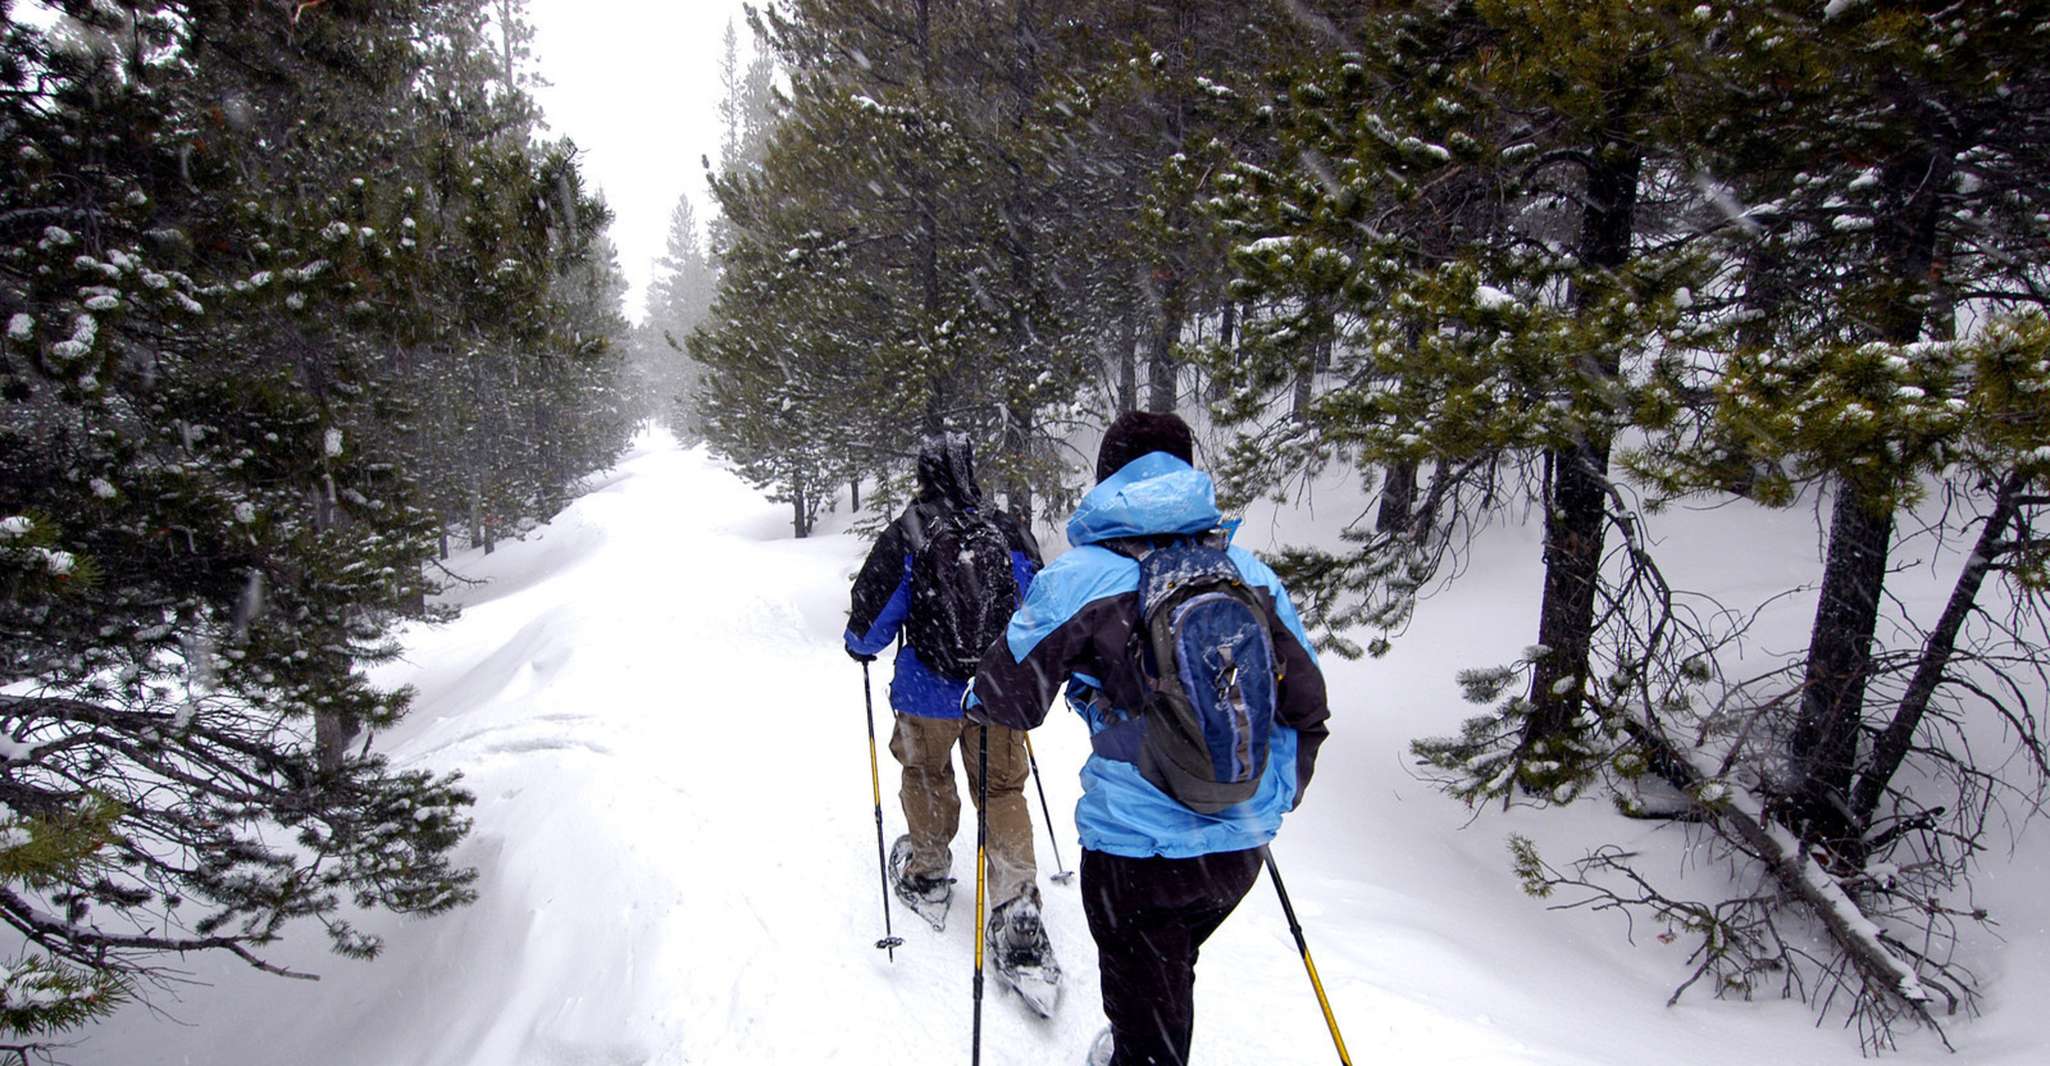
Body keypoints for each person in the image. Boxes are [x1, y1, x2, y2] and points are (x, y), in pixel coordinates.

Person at [968, 411, 1331, 1066]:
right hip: (1238, 852)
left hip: (1135, 855)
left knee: (1149, 1004)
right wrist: (1266, 797)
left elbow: (1005, 700)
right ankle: (1148, 1038)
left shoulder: (1081, 579)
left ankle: (1142, 1048)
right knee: (1169, 970)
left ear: (1108, 475)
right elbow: (1309, 708)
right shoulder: (1247, 572)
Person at [843, 433, 1053, 971]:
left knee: (927, 775)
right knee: (1002, 788)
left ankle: (929, 867)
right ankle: (1016, 901)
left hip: (926, 693)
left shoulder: (909, 533)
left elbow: (870, 624)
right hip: (996, 694)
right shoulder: (1006, 532)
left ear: (924, 474)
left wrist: (859, 647)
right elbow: (1041, 608)